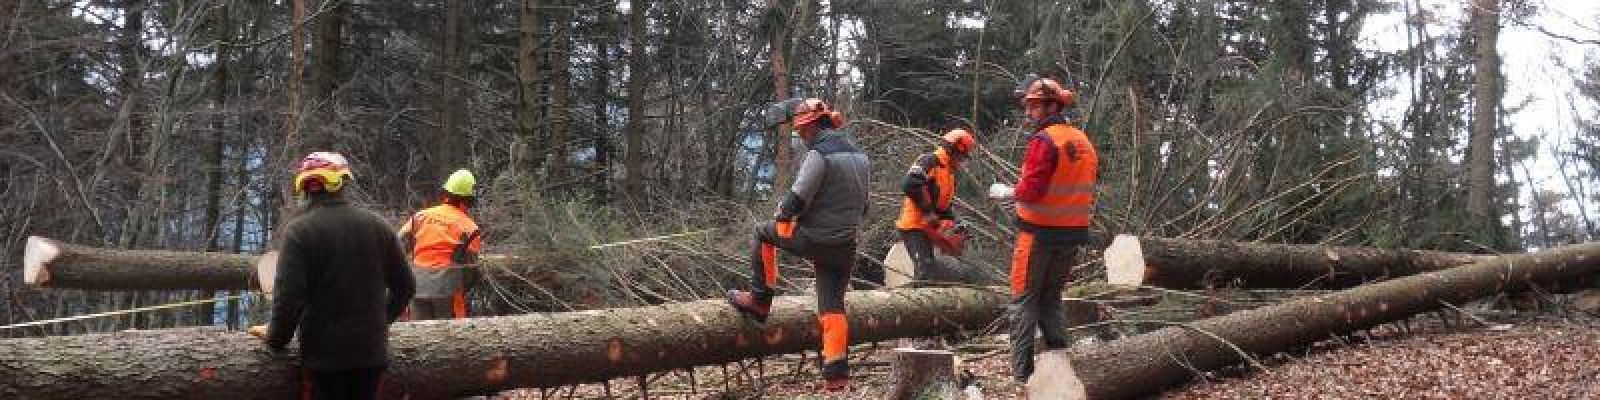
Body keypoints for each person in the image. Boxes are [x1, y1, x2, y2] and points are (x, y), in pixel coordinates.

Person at [726, 97, 871, 392]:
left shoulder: (819, 155)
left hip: (816, 238)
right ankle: (836, 374)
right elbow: (864, 206)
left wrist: (782, 213)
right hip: (845, 245)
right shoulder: (860, 157)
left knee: (763, 232)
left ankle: (759, 300)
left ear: (814, 126)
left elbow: (797, 200)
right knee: (832, 308)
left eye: (802, 131)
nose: (801, 136)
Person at [254, 151, 416, 399]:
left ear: (305, 188)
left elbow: (289, 299)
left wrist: (276, 338)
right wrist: (379, 322)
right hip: (370, 354)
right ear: (342, 183)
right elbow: (406, 286)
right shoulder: (379, 226)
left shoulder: (299, 232)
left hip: (324, 359)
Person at [988, 75, 1098, 382]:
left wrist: (1006, 191)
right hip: (1072, 233)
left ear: (1052, 106)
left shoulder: (1044, 141)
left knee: (1023, 301)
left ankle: (1022, 374)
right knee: (1051, 299)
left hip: (1038, 234)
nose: (1028, 112)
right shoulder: (1083, 141)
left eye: (1034, 106)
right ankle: (1060, 368)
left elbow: (1031, 191)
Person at [895, 124, 977, 283]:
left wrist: (955, 223)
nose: (963, 161)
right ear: (954, 150)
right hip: (915, 225)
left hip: (929, 227)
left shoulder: (949, 172)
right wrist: (927, 212)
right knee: (925, 269)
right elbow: (910, 184)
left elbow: (943, 206)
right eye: (962, 156)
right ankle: (920, 296)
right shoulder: (930, 161)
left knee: (936, 269)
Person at [399, 169, 483, 320]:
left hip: (417, 286)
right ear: (469, 200)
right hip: (448, 289)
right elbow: (472, 269)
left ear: (446, 194)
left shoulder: (420, 217)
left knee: (419, 331)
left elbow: (397, 249)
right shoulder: (470, 228)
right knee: (451, 333)